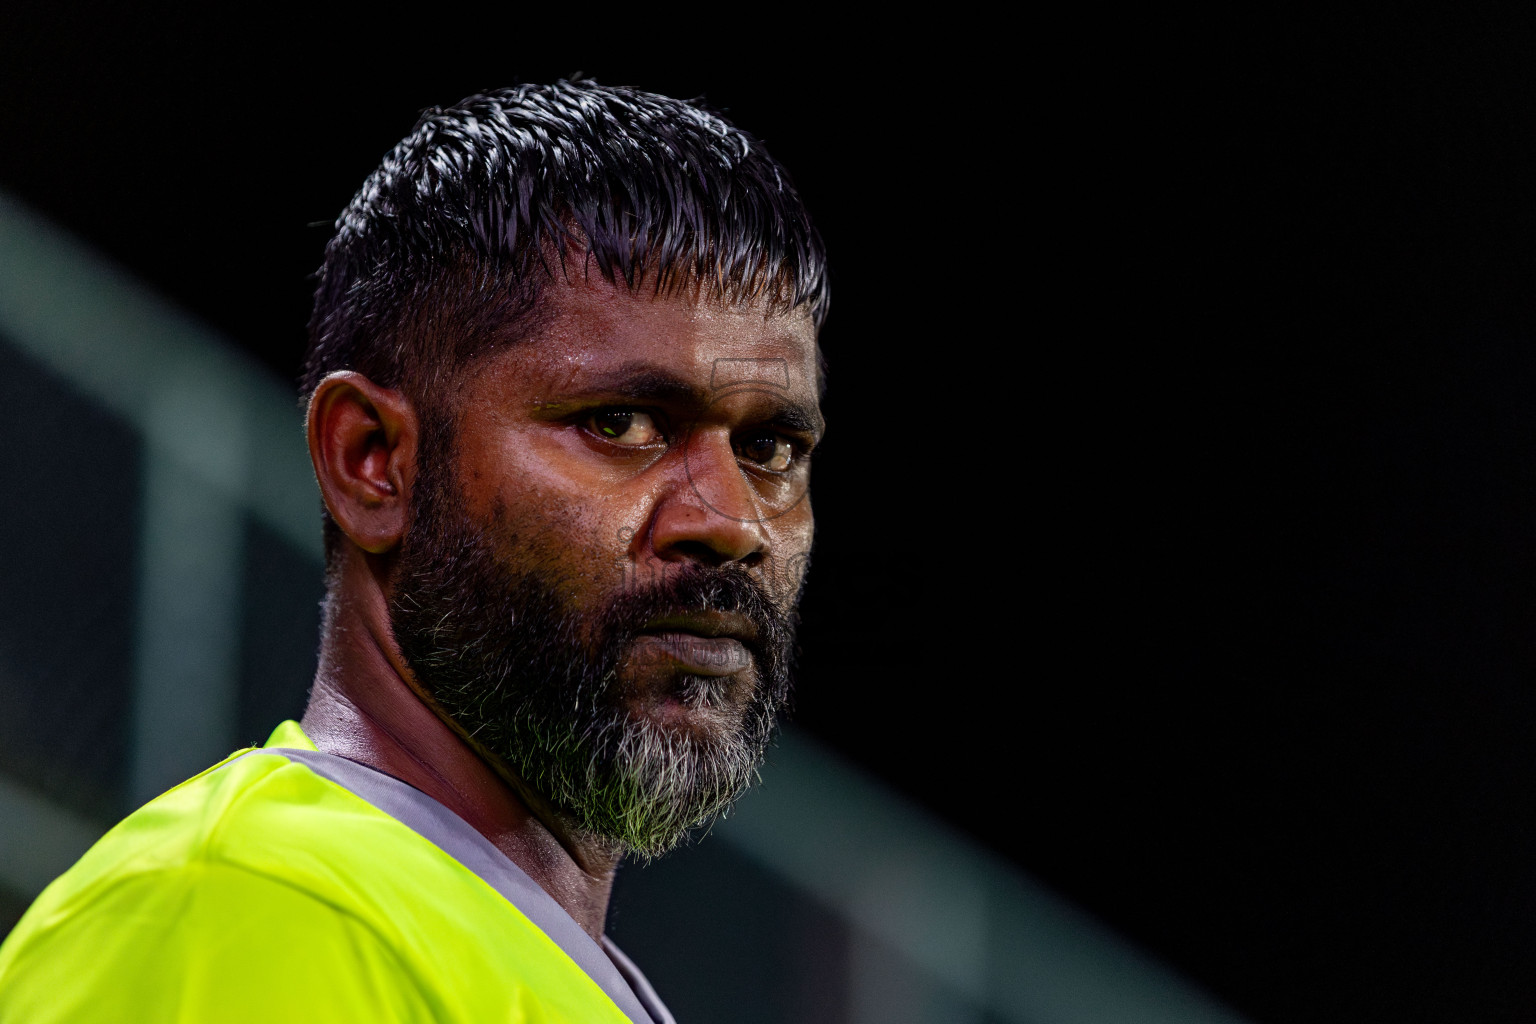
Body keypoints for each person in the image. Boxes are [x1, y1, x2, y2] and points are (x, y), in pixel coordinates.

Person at [0, 79, 829, 1023]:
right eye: (621, 422)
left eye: (770, 449)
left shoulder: (457, 944)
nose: (732, 522)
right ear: (372, 463)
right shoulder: (253, 909)